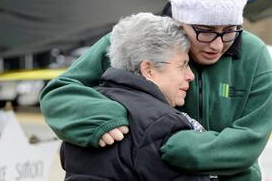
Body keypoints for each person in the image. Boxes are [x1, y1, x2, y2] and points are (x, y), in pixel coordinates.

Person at [40, 0, 272, 180]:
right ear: (178, 19)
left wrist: (166, 144)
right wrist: (105, 116)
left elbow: (249, 139)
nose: (217, 44)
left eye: (229, 30)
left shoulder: (254, 54)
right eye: (205, 30)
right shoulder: (136, 39)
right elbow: (59, 93)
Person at [61, 12, 209, 180]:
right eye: (182, 65)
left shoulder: (84, 114)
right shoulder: (164, 124)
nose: (190, 75)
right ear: (149, 70)